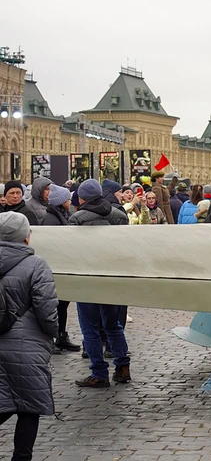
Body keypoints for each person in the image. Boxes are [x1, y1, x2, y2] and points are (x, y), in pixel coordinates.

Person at [0, 212, 59, 460]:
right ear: (25, 236)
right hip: (28, 344)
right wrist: (53, 334)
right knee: (28, 407)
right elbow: (47, 309)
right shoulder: (36, 265)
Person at [68, 179, 131, 387]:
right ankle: (123, 367)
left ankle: (99, 373)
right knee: (113, 325)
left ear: (81, 198)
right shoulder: (119, 215)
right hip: (112, 278)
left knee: (90, 328)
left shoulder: (77, 219)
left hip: (87, 279)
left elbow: (72, 250)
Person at [41, 184, 81, 353]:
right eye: (68, 199)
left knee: (62, 304)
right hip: (55, 267)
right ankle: (53, 338)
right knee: (55, 306)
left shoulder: (62, 215)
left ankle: (61, 336)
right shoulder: (52, 219)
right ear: (61, 201)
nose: (70, 202)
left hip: (62, 265)